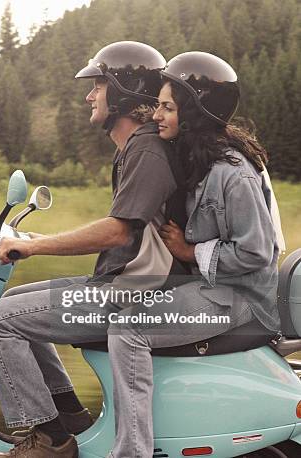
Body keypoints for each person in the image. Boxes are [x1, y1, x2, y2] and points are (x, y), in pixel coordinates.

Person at [0, 41, 188, 458]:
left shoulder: (146, 150)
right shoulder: (134, 149)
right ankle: (69, 417)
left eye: (98, 85)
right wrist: (37, 240)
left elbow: (116, 232)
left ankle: (50, 440)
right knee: (17, 301)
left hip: (137, 291)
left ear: (124, 93)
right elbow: (128, 231)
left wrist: (36, 249)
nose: (89, 95)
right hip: (124, 283)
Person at [106, 51, 284, 458]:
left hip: (241, 299)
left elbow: (256, 251)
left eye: (168, 107)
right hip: (217, 289)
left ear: (195, 113)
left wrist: (191, 250)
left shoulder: (231, 173)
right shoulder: (199, 159)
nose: (157, 116)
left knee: (128, 329)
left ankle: (131, 452)